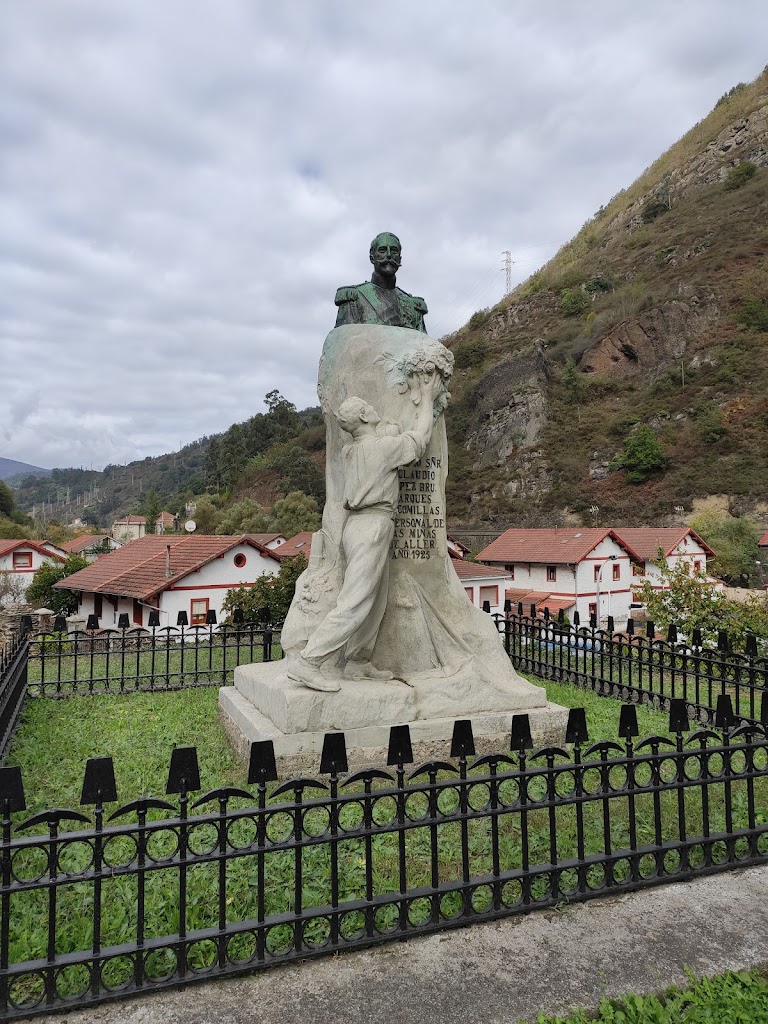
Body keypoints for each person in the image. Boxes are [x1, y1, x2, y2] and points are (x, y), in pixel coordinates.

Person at [288, 369, 443, 692]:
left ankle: (358, 661)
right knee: (356, 601)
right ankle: (309, 661)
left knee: (375, 599)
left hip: (362, 525)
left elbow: (380, 435)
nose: (375, 409)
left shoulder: (353, 450)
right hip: (371, 524)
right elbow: (420, 438)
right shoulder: (381, 449)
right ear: (362, 416)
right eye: (368, 408)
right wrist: (426, 397)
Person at [334, 232, 428, 332]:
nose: (389, 255)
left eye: (394, 251)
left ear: (400, 259)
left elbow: (422, 345)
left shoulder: (414, 306)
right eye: (382, 250)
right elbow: (344, 342)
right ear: (372, 258)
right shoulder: (354, 298)